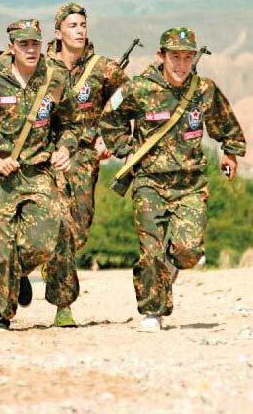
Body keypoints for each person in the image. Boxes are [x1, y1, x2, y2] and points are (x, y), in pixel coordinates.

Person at [100, 27, 247, 332]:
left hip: (191, 184)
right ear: (161, 56)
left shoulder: (204, 89)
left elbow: (225, 123)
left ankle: (168, 266)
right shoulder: (139, 88)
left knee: (188, 252)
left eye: (187, 58)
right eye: (175, 57)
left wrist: (230, 153)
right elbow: (110, 117)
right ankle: (152, 310)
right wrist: (125, 148)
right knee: (151, 250)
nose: (181, 64)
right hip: (149, 182)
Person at [0, 20, 75, 331]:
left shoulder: (55, 79)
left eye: (35, 43)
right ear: (12, 47)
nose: (31, 50)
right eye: (24, 44)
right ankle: (0, 315)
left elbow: (70, 124)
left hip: (39, 172)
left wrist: (65, 148)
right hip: (0, 178)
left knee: (44, 242)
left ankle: (18, 271)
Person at [43, 2, 131, 327]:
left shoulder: (104, 68)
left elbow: (129, 102)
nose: (79, 31)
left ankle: (48, 267)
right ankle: (63, 305)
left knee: (78, 230)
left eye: (83, 25)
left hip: (84, 158)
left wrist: (111, 136)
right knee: (58, 227)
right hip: (47, 156)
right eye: (72, 26)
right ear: (58, 33)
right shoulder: (41, 68)